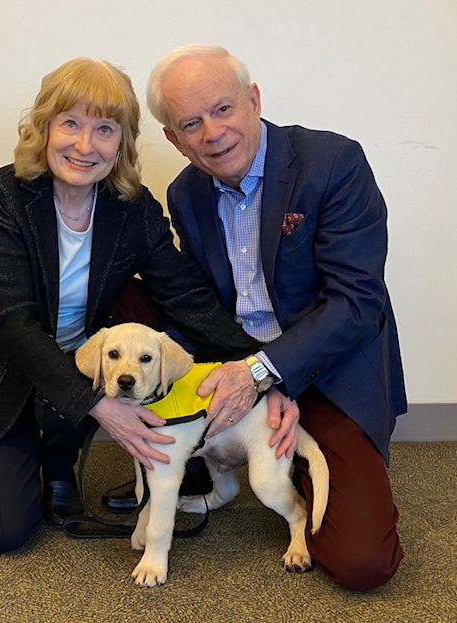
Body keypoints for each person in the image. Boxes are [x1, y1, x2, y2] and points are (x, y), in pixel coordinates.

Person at [0, 57, 264, 553]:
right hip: (11, 373)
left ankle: (61, 463)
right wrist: (98, 407)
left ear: (122, 143)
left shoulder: (133, 209)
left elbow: (186, 298)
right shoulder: (4, 195)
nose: (84, 144)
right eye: (69, 123)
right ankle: (39, 439)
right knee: (2, 533)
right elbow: (10, 322)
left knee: (146, 324)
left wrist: (261, 370)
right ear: (44, 127)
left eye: (104, 129)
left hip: (88, 366)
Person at [142, 44, 407, 592]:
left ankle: (301, 466)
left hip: (328, 375)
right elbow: (199, 304)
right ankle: (212, 458)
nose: (213, 132)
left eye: (223, 109)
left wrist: (264, 374)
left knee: (363, 563)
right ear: (173, 138)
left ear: (254, 100)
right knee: (130, 291)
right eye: (191, 122)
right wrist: (245, 374)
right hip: (239, 360)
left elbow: (358, 301)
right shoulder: (185, 193)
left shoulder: (333, 162)